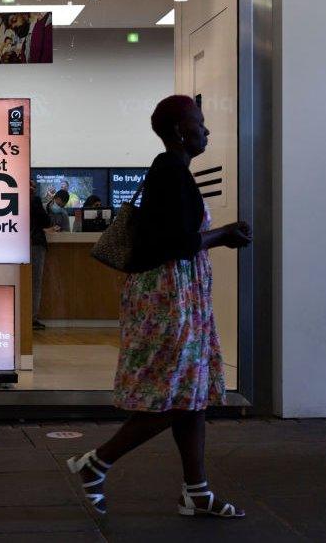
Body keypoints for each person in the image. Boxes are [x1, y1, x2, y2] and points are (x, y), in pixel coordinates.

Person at [66, 95, 252, 518]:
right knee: (172, 395)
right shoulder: (170, 170)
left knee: (192, 393)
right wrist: (223, 234)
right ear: (179, 132)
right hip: (168, 295)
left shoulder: (172, 171)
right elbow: (176, 242)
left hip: (178, 294)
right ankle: (97, 463)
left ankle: (197, 491)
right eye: (199, 124)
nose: (206, 131)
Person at [29, 180, 60, 330]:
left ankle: (19, 315)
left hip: (14, 245)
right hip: (34, 243)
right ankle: (32, 318)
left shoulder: (12, 199)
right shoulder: (34, 200)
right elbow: (45, 221)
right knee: (35, 282)